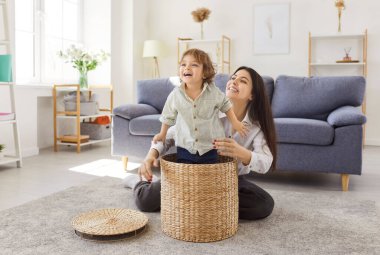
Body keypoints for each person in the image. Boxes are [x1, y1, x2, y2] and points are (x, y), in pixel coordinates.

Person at [124, 66, 277, 220]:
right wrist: (152, 153)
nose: (234, 81)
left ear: (252, 95)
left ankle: (194, 202)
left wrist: (242, 153)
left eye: (242, 81)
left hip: (227, 182)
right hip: (191, 174)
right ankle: (140, 182)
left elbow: (265, 162)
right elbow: (171, 134)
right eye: (233, 77)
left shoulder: (255, 128)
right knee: (145, 201)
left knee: (264, 204)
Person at [153, 48, 247, 164]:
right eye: (183, 64)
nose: (187, 68)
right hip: (185, 146)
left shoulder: (212, 91)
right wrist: (163, 134)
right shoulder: (175, 94)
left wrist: (235, 123)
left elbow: (225, 104)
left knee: (209, 174)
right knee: (186, 174)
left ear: (204, 73)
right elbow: (168, 115)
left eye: (194, 65)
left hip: (210, 146)